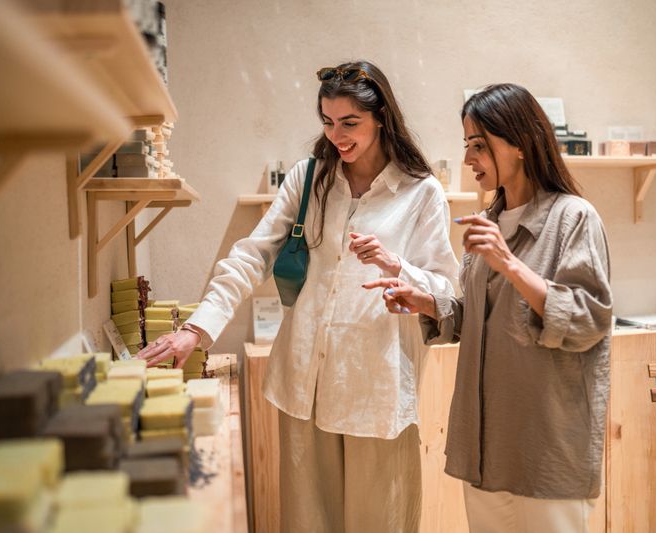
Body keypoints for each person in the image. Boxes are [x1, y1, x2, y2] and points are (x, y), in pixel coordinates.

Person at [137, 60, 458, 532]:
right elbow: (253, 253)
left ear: (382, 118)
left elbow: (445, 289)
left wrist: (399, 269)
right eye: (328, 123)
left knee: (380, 521)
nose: (337, 136)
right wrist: (196, 328)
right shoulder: (310, 178)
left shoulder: (421, 192)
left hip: (377, 383)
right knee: (308, 522)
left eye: (350, 123)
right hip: (305, 377)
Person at [364, 83, 612, 533]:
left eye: (479, 146)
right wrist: (429, 303)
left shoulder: (574, 218)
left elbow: (587, 321)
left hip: (547, 447)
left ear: (520, 143)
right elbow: (478, 316)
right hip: (484, 443)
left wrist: (510, 264)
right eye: (467, 146)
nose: (467, 160)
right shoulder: (489, 224)